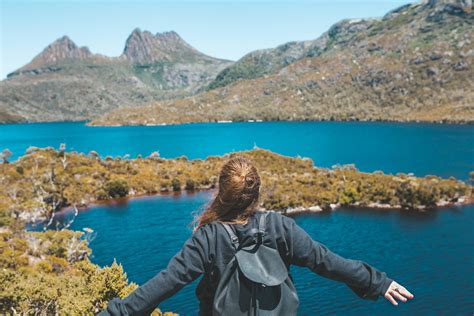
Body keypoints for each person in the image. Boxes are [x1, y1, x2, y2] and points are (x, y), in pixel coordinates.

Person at [100, 157, 413, 315]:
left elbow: (165, 284)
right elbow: (327, 262)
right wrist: (377, 282)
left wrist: (117, 312)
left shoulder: (208, 237)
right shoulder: (279, 227)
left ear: (221, 192)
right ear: (257, 193)